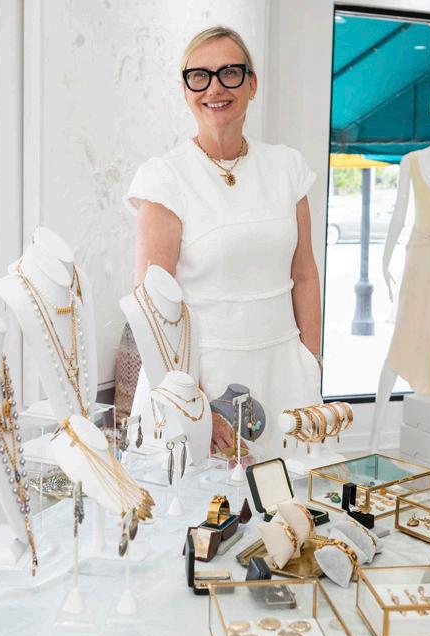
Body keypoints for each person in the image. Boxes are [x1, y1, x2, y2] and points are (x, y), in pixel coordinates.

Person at [123, 25, 322, 457]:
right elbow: (153, 311)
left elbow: (305, 274)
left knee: (292, 494)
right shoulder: (165, 178)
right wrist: (193, 404)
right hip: (201, 382)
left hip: (286, 374)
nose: (215, 88)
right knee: (208, 497)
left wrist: (312, 362)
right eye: (199, 76)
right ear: (185, 90)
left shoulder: (288, 168)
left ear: (252, 84)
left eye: (229, 73)